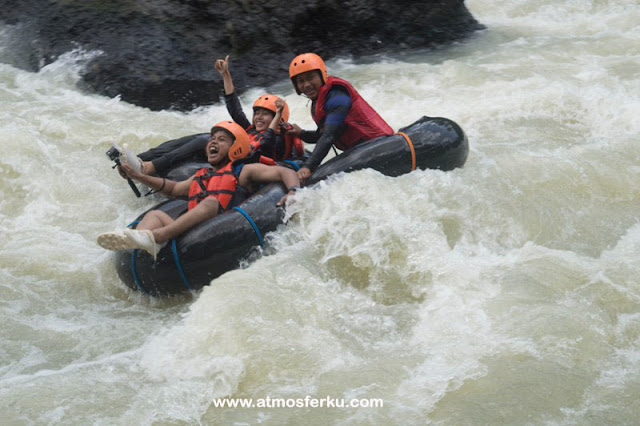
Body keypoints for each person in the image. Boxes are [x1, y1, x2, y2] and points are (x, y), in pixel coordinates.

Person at [97, 116, 300, 259]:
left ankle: (157, 237)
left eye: (221, 140)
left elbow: (284, 173)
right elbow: (173, 189)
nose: (213, 142)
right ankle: (142, 241)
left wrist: (293, 192)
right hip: (190, 233)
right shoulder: (203, 175)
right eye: (212, 139)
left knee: (210, 202)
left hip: (222, 231)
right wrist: (138, 176)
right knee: (155, 216)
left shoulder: (244, 171)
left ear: (236, 148)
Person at [286, 53, 394, 183]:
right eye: (301, 81)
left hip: (379, 145)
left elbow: (329, 136)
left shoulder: (337, 97)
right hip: (360, 149)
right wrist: (300, 133)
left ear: (322, 76)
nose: (306, 85)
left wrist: (308, 167)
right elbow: (323, 135)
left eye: (310, 78)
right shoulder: (319, 100)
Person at [214, 55, 305, 162]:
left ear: (279, 118)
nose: (258, 117)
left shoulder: (279, 139)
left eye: (265, 114)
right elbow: (235, 110)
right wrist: (225, 75)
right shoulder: (251, 131)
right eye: (257, 113)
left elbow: (266, 142)